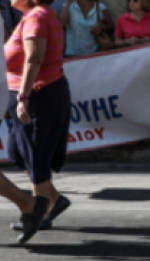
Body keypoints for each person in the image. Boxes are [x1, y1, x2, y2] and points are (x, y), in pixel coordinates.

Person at [6, 0, 71, 244]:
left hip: (38, 96)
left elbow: (34, 59)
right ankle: (53, 199)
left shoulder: (37, 17)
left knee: (35, 154)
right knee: (17, 151)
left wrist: (23, 97)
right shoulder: (35, 16)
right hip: (34, 95)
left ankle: (39, 214)